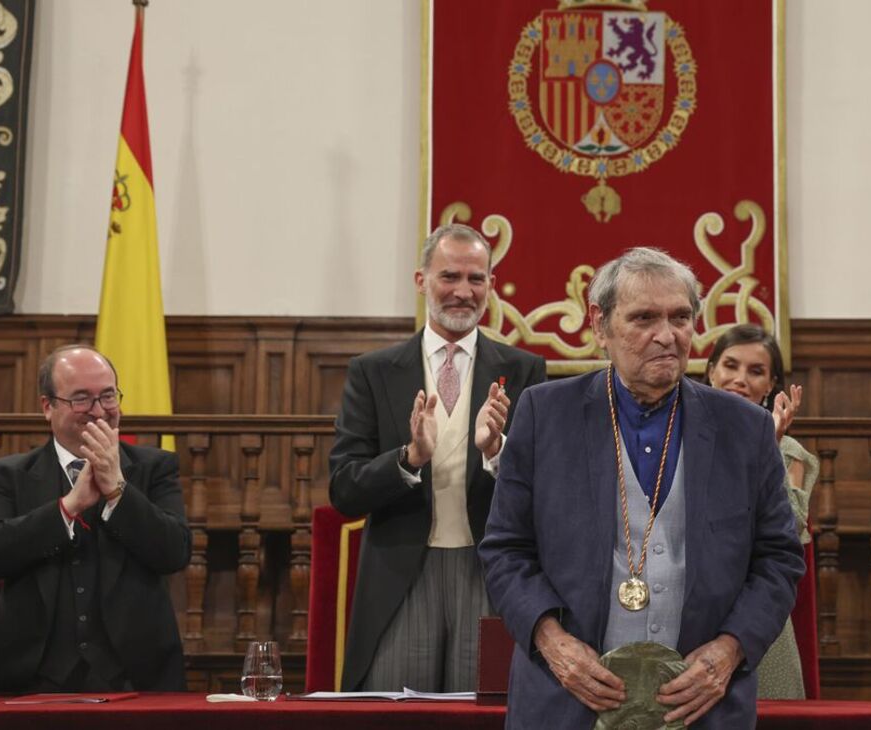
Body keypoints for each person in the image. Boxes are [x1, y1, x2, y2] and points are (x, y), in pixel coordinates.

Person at [479, 247, 804, 729]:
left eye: (680, 317)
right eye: (644, 318)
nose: (666, 336)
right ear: (600, 323)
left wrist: (729, 650)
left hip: (702, 704)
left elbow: (779, 558)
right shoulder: (544, 414)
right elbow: (506, 550)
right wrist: (552, 641)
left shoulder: (745, 429)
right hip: (566, 699)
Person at [329, 223, 546, 692]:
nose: (463, 292)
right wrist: (408, 458)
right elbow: (344, 490)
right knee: (398, 719)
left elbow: (546, 487)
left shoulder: (524, 369)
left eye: (476, 279)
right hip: (402, 575)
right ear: (421, 280)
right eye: (449, 277)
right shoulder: (373, 372)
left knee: (487, 710)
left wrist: (497, 453)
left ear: (490, 284)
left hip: (489, 574)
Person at [0, 345, 191, 692]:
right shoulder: (8, 475)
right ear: (48, 406)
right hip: (33, 680)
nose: (99, 411)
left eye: (107, 396)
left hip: (137, 679)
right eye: (82, 399)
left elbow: (174, 552)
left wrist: (118, 490)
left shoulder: (156, 467)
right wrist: (68, 506)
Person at [705, 323, 819, 699]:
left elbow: (794, 534)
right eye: (730, 366)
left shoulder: (789, 452)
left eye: (755, 372)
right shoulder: (678, 438)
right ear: (711, 371)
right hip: (691, 613)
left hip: (757, 616)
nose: (740, 379)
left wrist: (768, 448)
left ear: (771, 386)